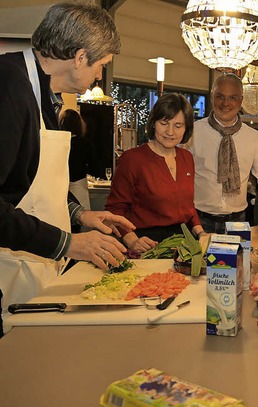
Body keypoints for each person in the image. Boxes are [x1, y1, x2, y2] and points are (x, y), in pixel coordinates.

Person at [0, 3, 135, 319]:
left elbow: (32, 181)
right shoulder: (8, 87)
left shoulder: (41, 94)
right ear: (80, 57)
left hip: (35, 268)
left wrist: (80, 214)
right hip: (9, 274)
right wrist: (68, 244)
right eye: (101, 64)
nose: (99, 74)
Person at [106, 93, 204, 252]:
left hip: (183, 244)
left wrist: (200, 232)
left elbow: (188, 207)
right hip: (145, 244)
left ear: (186, 128)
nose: (170, 131)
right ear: (153, 124)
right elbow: (115, 209)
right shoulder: (132, 159)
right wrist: (132, 241)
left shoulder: (187, 158)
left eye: (178, 125)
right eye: (164, 123)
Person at [188, 74, 258, 233]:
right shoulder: (193, 132)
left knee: (238, 259)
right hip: (199, 220)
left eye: (232, 97)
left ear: (241, 100)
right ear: (212, 97)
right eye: (220, 96)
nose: (225, 103)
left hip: (237, 221)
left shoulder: (254, 137)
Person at [60, 108, 91, 210]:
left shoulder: (58, 142)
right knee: (81, 214)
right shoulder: (83, 143)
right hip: (79, 182)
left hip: (60, 182)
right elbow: (93, 164)